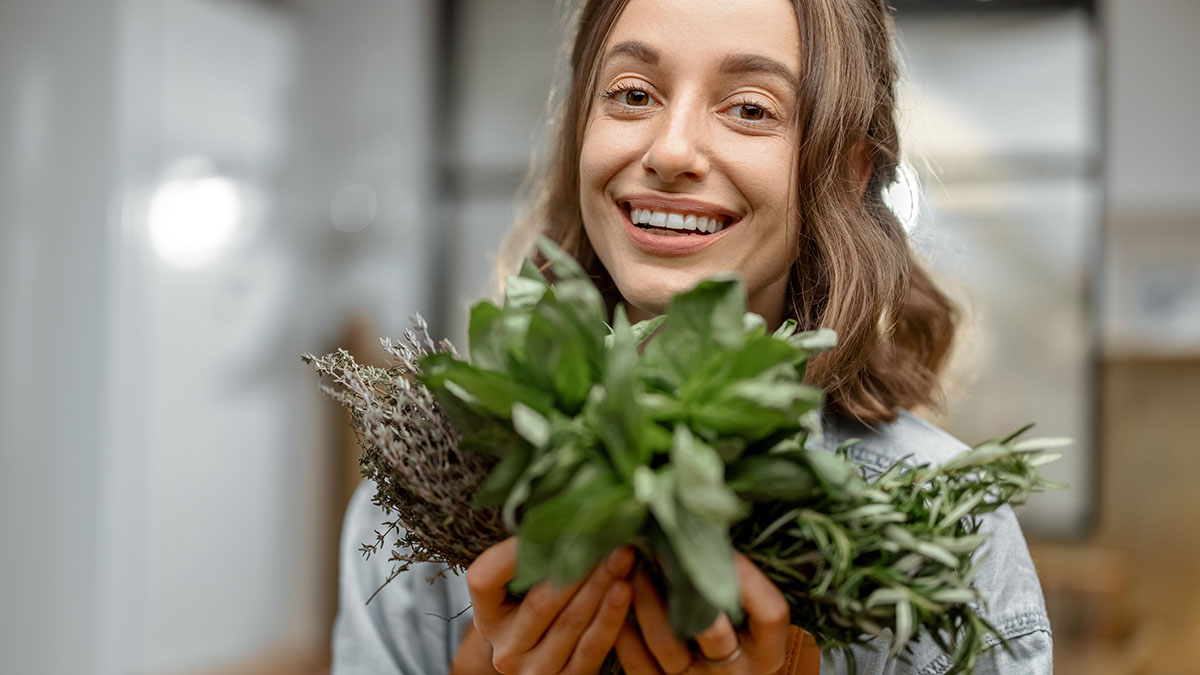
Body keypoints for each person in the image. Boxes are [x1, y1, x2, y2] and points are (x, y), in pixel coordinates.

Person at [332, 0, 1054, 673]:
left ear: (846, 172)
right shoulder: (418, 511)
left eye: (749, 108)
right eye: (633, 94)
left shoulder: (950, 543)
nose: (671, 150)